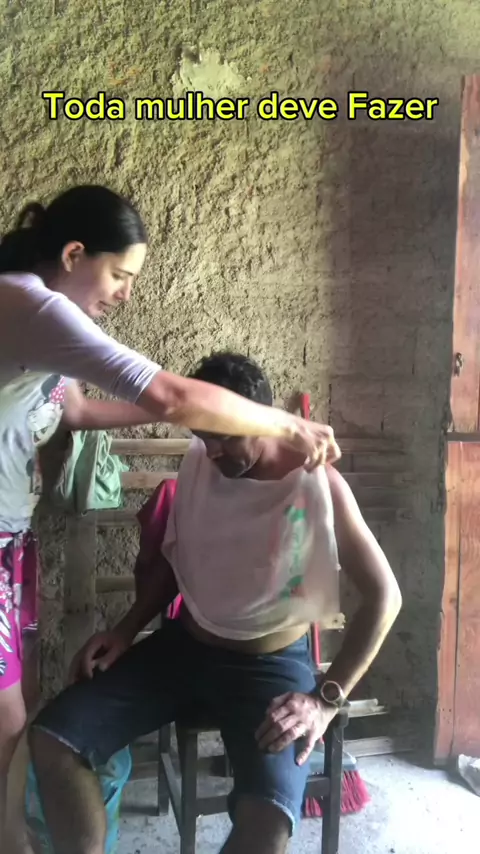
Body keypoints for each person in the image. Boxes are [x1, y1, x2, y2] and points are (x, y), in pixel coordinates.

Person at [0, 186, 341, 849]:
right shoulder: (34, 305)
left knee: (17, 708)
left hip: (13, 537)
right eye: (120, 274)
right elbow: (166, 393)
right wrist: (283, 424)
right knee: (11, 723)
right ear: (74, 254)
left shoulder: (40, 319)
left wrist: (209, 417)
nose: (126, 294)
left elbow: (78, 410)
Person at [29, 352, 402, 854]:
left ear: (262, 420)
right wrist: (125, 630)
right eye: (204, 435)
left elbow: (385, 596)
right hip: (185, 648)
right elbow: (176, 561)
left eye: (226, 436)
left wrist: (324, 700)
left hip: (268, 666)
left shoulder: (317, 483)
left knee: (268, 823)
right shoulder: (200, 461)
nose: (214, 450)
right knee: (54, 739)